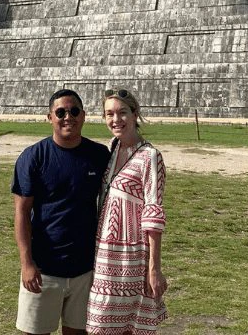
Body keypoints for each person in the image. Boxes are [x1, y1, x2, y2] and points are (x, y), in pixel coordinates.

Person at [12, 89, 111, 335]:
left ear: (84, 116)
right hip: (44, 268)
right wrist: (26, 263)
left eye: (74, 111)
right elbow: (21, 213)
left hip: (85, 269)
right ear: (50, 118)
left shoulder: (99, 156)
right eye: (61, 112)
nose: (68, 117)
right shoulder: (33, 157)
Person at [86, 88, 167, 335]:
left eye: (122, 113)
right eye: (109, 114)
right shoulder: (112, 149)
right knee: (99, 326)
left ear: (135, 114)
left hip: (131, 255)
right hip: (103, 253)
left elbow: (153, 215)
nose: (115, 120)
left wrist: (154, 268)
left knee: (130, 325)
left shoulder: (150, 157)